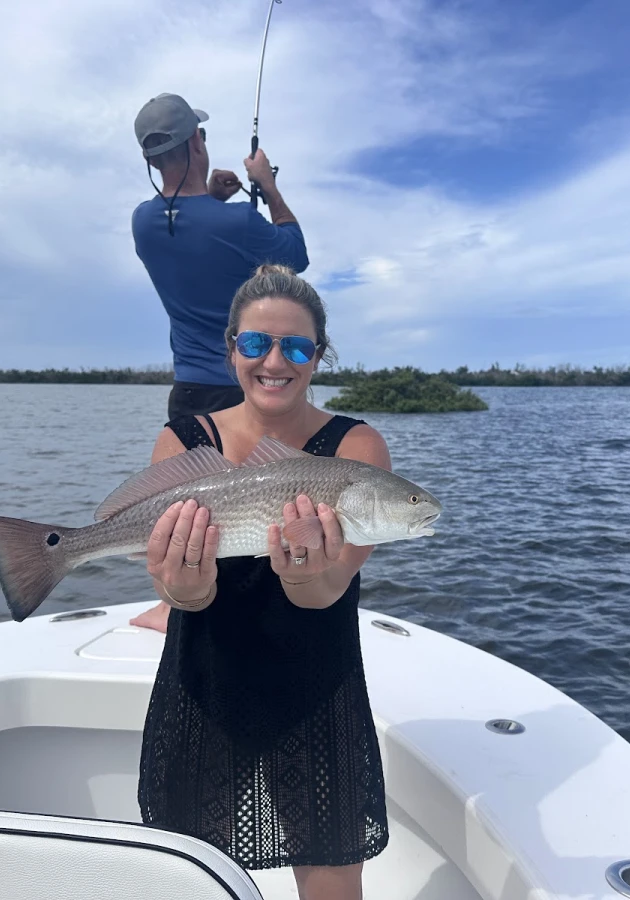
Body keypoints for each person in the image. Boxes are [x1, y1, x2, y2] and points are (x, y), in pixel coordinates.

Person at [135, 264, 390, 899]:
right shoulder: (184, 440)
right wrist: (183, 586)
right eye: (255, 342)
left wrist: (305, 575)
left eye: (297, 347)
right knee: (193, 874)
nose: (275, 361)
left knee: (332, 873)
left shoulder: (356, 447)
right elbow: (181, 596)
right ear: (231, 349)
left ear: (319, 356)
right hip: (205, 677)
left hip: (317, 680)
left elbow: (326, 591)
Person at [130, 92, 309, 421]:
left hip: (187, 396)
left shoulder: (142, 222)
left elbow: (193, 230)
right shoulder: (240, 221)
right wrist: (268, 186)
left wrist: (211, 198)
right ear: (196, 142)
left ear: (151, 160)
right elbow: (296, 256)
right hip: (245, 392)